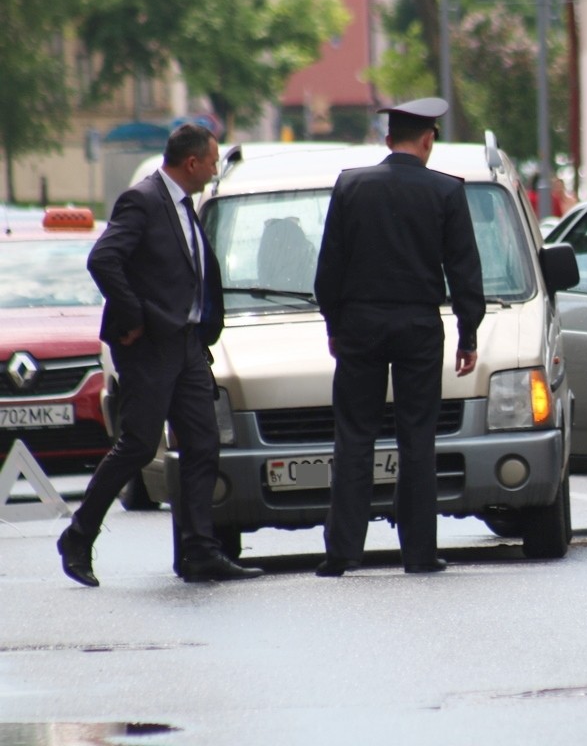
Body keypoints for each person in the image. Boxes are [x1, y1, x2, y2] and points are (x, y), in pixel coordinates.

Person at [56, 123, 264, 586]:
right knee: (138, 445)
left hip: (188, 346)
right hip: (150, 346)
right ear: (191, 162)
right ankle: (78, 536)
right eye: (211, 163)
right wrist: (134, 318)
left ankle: (198, 552)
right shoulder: (143, 200)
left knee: (202, 443)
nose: (214, 172)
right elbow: (103, 259)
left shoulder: (184, 205)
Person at [313, 97, 485, 576]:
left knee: (354, 437)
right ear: (428, 139)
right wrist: (467, 334)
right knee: (417, 438)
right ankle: (419, 553)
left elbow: (329, 269)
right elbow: (465, 270)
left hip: (360, 326)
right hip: (418, 327)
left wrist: (334, 325)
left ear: (388, 141)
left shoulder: (351, 186)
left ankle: (342, 552)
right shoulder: (446, 193)